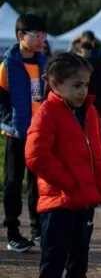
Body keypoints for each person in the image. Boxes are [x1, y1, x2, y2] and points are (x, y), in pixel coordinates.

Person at [25, 52, 101, 277]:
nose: (83, 91)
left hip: (84, 201)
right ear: (55, 84)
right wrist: (69, 183)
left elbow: (97, 153)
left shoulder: (90, 111)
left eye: (86, 84)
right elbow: (36, 155)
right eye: (76, 85)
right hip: (59, 202)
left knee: (79, 261)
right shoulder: (46, 113)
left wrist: (99, 188)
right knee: (53, 262)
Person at [0, 13, 47, 252]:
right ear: (21, 35)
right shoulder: (7, 66)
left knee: (37, 184)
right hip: (16, 134)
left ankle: (38, 231)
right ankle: (13, 233)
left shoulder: (44, 64)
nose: (41, 39)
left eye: (43, 35)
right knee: (13, 183)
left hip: (39, 134)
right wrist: (9, 124)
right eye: (36, 35)